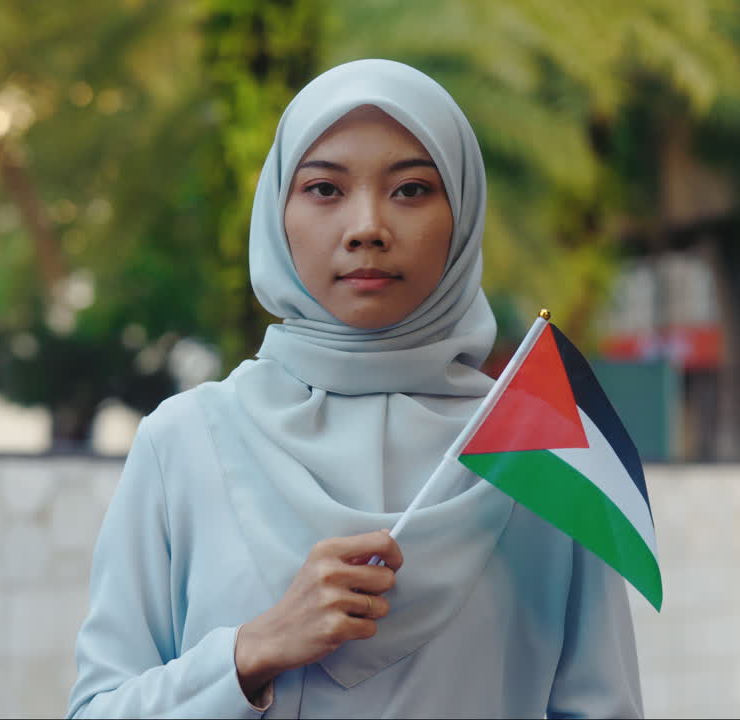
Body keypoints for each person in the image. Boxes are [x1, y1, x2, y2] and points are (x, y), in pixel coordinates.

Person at [66, 59, 643, 719]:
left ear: (462, 215)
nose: (368, 227)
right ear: (278, 215)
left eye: (411, 189)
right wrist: (251, 651)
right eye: (324, 189)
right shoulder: (186, 442)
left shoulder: (540, 448)